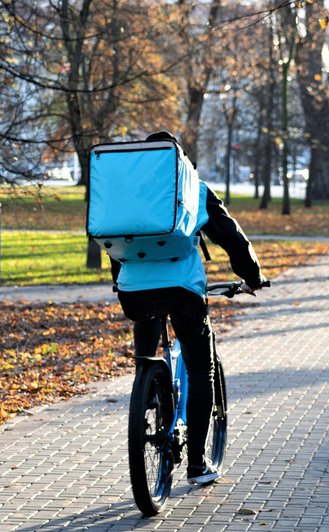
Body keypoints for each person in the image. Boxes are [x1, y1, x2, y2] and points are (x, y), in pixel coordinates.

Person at [110, 131, 266, 486]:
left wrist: (121, 283)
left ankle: (149, 400)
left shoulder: (130, 192)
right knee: (200, 370)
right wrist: (252, 276)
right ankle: (196, 464)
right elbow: (231, 237)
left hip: (135, 292)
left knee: (146, 360)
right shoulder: (195, 188)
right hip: (183, 291)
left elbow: (116, 242)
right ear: (181, 161)